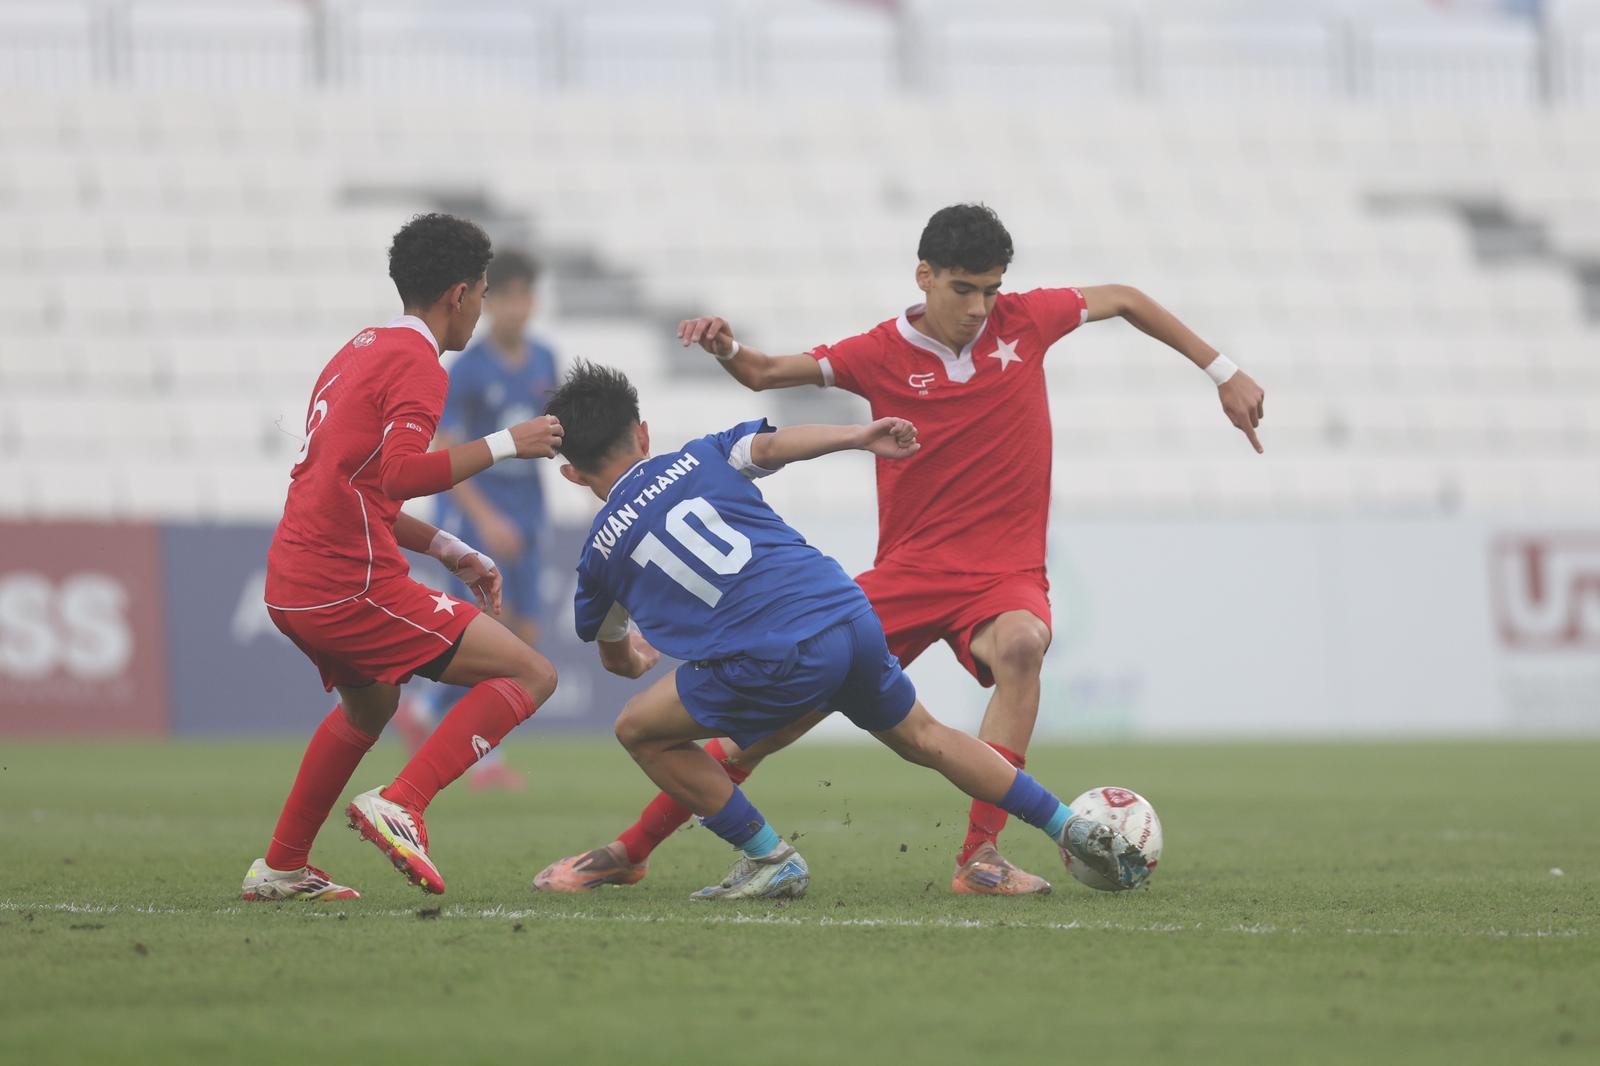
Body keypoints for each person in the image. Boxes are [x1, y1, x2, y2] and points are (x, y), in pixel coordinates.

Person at [535, 202, 1263, 896]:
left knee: (1021, 646)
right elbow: (764, 374)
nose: (979, 308)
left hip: (1004, 571)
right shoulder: (879, 352)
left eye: (991, 290)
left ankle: (982, 856)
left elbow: (1127, 298)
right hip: (907, 574)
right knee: (769, 726)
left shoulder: (1028, 320)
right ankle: (634, 848)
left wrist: (1223, 372)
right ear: (925, 275)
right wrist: (729, 349)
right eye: (963, 289)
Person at [540, 361, 1148, 900]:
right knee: (928, 736)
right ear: (643, 433)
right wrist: (858, 436)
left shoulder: (599, 558)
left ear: (571, 474)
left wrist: (639, 657)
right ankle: (1070, 825)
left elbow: (616, 658)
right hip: (848, 614)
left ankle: (768, 857)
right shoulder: (702, 455)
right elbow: (775, 446)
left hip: (771, 656)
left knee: (639, 729)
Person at [240, 213, 564, 902]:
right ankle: (402, 802)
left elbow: (355, 485)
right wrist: (508, 442)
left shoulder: (360, 348)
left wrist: (448, 546)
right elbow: (399, 475)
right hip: (347, 584)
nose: (480, 308)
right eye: (481, 293)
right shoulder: (419, 364)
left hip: (293, 578)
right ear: (459, 294)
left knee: (371, 707)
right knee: (531, 673)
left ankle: (281, 868)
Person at [396, 249, 559, 791]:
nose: (518, 307)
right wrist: (485, 520)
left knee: (526, 634)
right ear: (491, 304)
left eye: (525, 296)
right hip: (478, 516)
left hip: (527, 515)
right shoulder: (467, 368)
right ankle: (485, 759)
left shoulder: (544, 359)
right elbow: (445, 450)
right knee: (489, 639)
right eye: (506, 297)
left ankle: (425, 706)